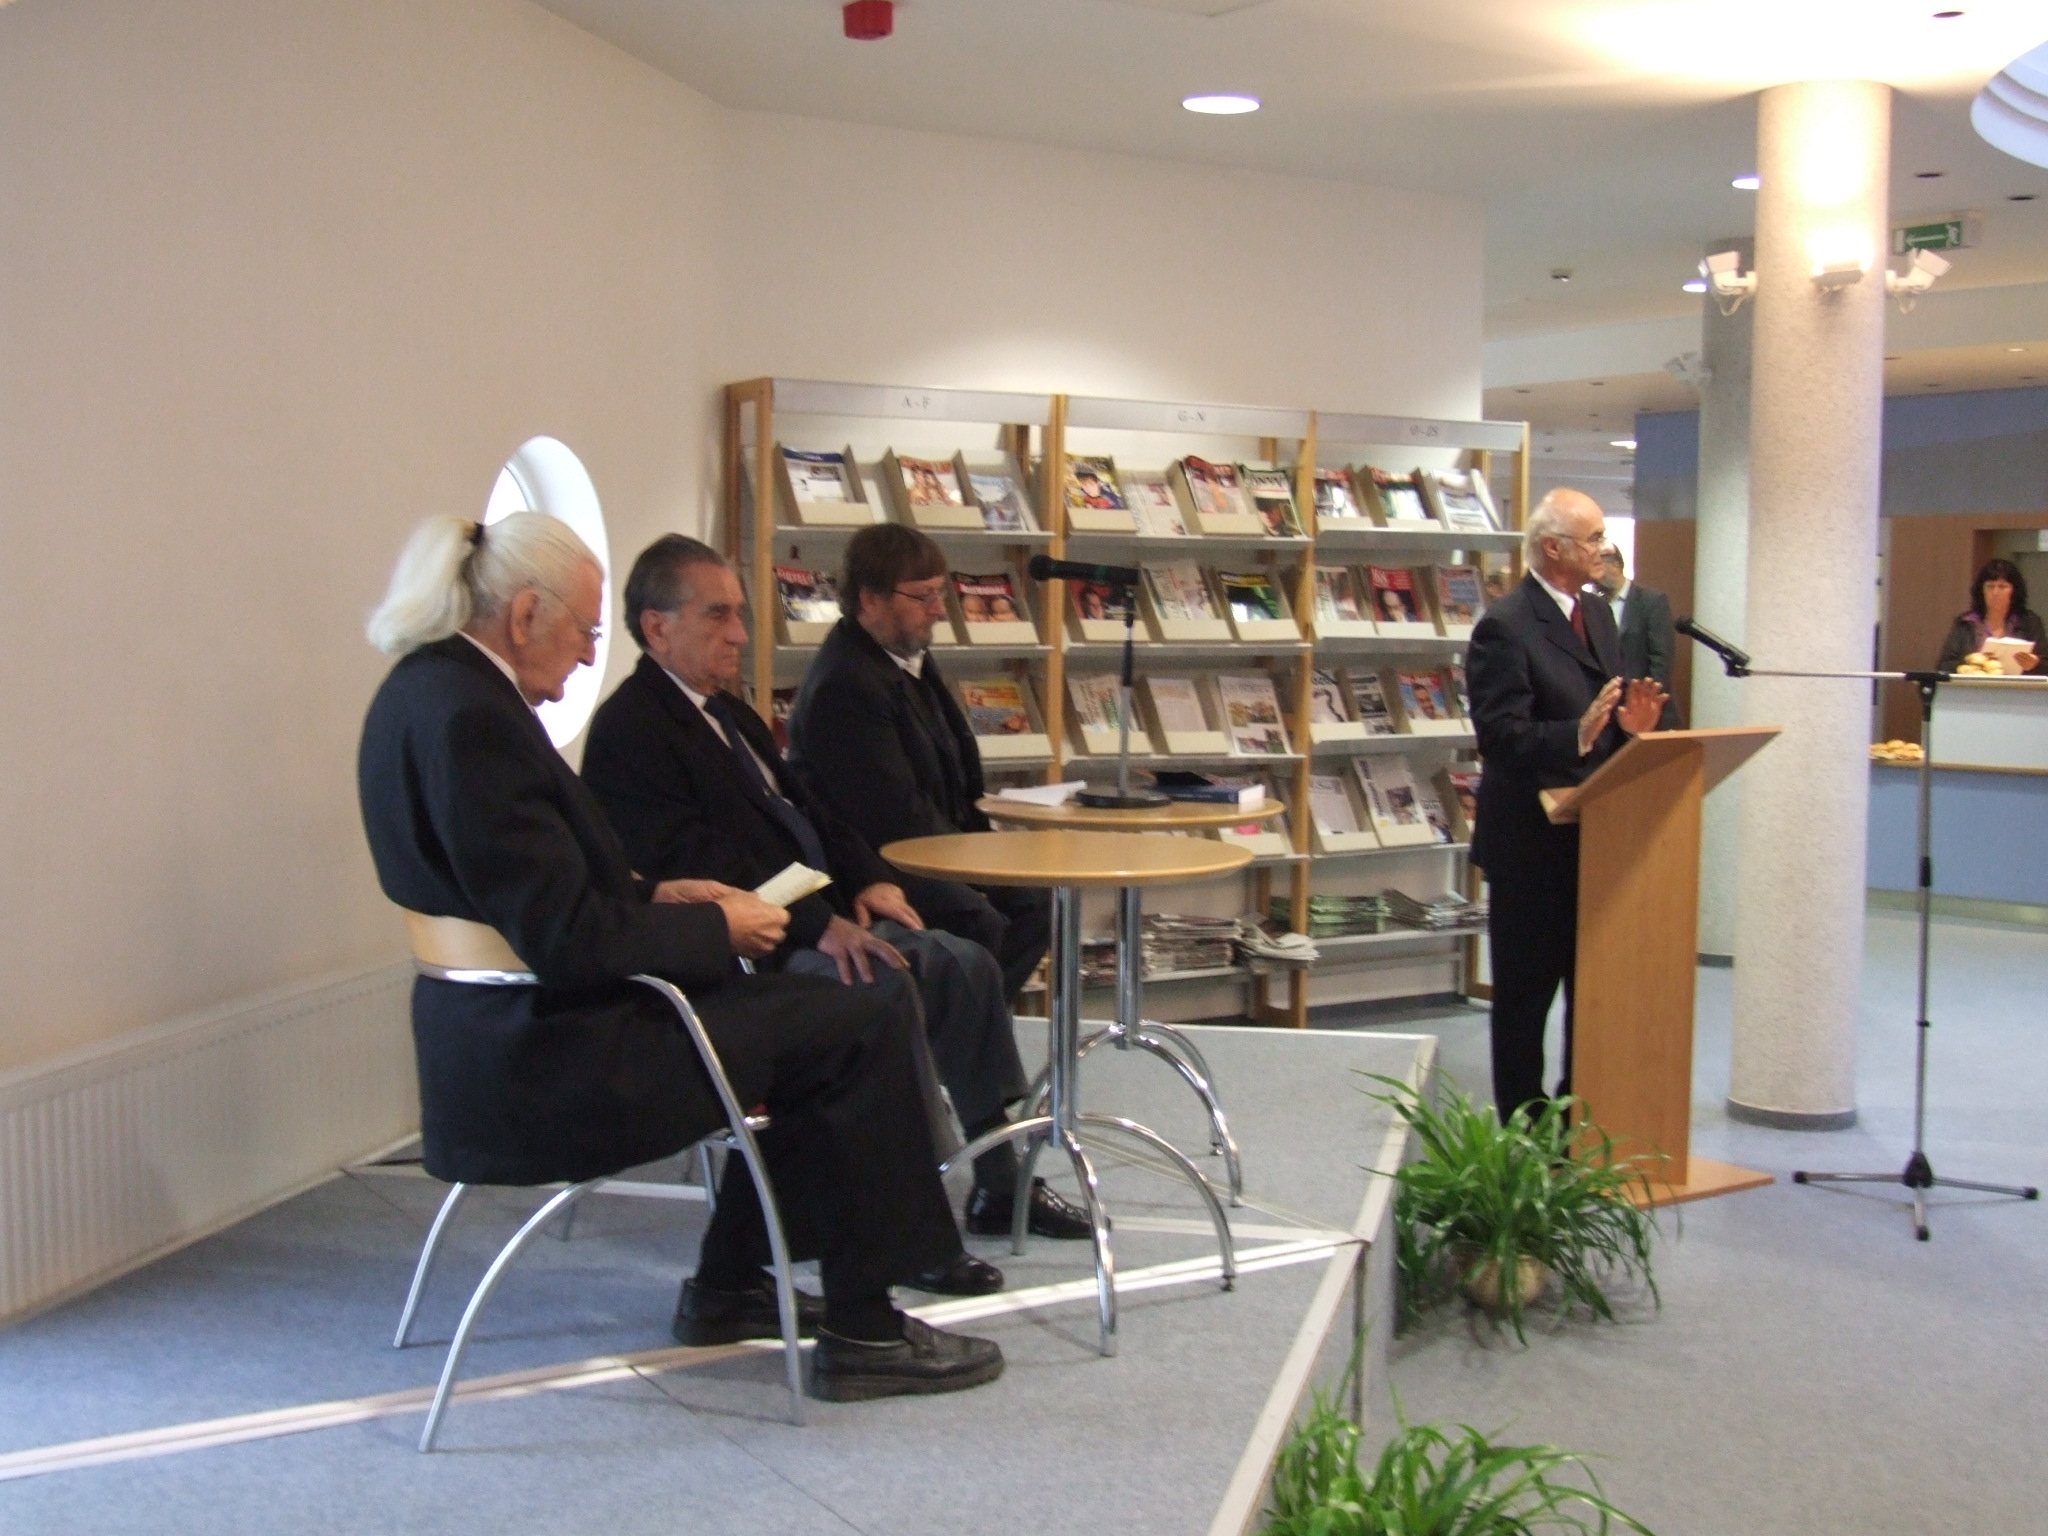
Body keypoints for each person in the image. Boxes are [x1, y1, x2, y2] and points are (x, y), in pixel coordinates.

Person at [356, 512, 1001, 1401]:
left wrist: (657, 893)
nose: (590, 655)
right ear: (525, 614)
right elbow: (568, 938)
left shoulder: (430, 694)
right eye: (585, 632)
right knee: (859, 1018)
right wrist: (719, 930)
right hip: (553, 1061)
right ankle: (865, 1329)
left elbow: (526, 894)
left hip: (506, 1033)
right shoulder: (474, 720)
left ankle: (731, 1287)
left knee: (825, 1020)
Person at [582, 536, 1089, 1265]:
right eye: (719, 616)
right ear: (657, 627)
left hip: (816, 914)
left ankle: (998, 1180)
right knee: (886, 985)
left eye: (741, 614)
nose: (740, 634)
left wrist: (865, 878)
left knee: (965, 963)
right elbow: (702, 866)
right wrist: (819, 924)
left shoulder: (728, 713)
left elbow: (812, 810)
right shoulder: (632, 730)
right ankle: (908, 1216)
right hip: (746, 951)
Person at [1465, 490, 1668, 1122]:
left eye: (1604, 535)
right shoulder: (1505, 626)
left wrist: (1632, 731)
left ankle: (1578, 1122)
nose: (1605, 548)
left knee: (1594, 993)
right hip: (1531, 846)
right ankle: (1522, 1131)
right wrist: (1574, 735)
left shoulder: (1598, 613)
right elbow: (1501, 737)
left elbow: (1608, 715)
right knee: (1526, 1002)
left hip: (1598, 838)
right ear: (1553, 548)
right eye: (1593, 538)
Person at [788, 525, 1053, 1006]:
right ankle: (956, 1033)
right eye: (923, 596)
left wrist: (986, 847)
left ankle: (971, 1026)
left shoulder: (901, 654)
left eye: (940, 593)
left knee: (1040, 901)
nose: (939, 610)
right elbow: (892, 813)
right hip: (878, 862)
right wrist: (975, 861)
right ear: (870, 601)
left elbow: (954, 767)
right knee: (980, 920)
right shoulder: (845, 685)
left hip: (933, 842)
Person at [1595, 543, 1683, 729]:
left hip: (1648, 709)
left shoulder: (1651, 602)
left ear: (1615, 566)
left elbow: (1661, 659)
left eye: (1598, 567)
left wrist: (1644, 702)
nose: (1594, 576)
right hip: (1608, 714)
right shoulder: (1593, 605)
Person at [1936, 558, 2044, 673]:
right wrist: (1972, 665)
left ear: (2014, 591)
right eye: (1990, 586)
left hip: (2017, 684)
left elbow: (2045, 664)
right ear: (1982, 591)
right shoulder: (1966, 622)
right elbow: (1944, 665)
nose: (1995, 592)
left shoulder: (2029, 622)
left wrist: (2035, 664)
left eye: (2002, 586)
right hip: (1975, 683)